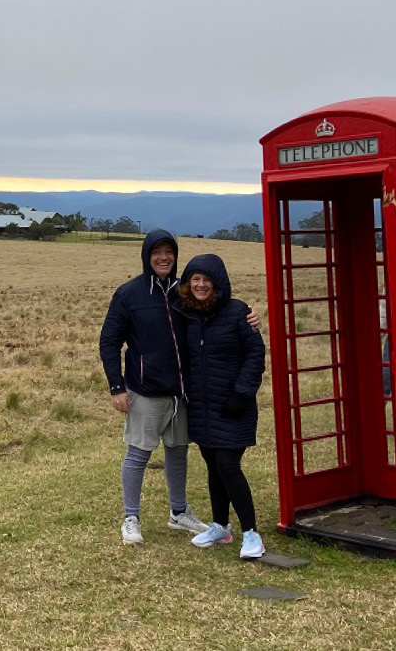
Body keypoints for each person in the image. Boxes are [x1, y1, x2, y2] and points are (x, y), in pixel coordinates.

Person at [99, 230, 260, 545]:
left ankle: (179, 512)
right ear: (147, 256)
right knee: (138, 454)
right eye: (156, 252)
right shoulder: (129, 294)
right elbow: (109, 341)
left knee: (178, 452)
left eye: (168, 253)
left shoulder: (182, 292)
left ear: (175, 257)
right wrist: (116, 385)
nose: (163, 258)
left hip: (183, 392)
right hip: (145, 389)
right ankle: (131, 517)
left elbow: (216, 313)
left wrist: (250, 319)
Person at [175, 254, 267, 559]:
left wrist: (241, 393)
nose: (201, 285)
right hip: (201, 406)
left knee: (228, 465)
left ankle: (252, 533)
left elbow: (256, 352)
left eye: (207, 279)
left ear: (218, 283)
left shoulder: (239, 312)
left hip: (233, 405)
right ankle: (220, 525)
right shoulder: (186, 314)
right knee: (213, 466)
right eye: (195, 279)